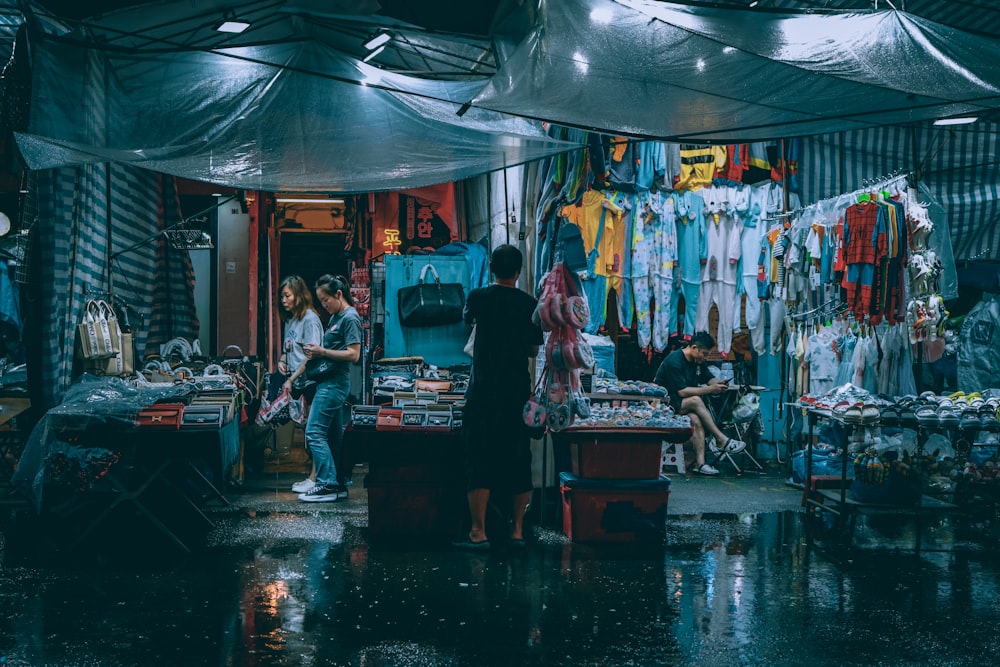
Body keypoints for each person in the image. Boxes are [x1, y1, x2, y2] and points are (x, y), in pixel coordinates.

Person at [454, 245, 543, 550]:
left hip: (482, 393)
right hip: (517, 392)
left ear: (491, 267)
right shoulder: (530, 304)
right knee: (518, 460)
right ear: (519, 271)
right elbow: (533, 350)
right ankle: (516, 530)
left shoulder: (478, 297)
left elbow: (468, 320)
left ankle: (478, 532)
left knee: (478, 459)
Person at [297, 274, 363, 503]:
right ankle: (339, 484)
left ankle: (326, 483)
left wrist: (322, 352)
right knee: (334, 435)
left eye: (326, 299)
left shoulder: (349, 318)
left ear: (338, 294)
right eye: (320, 300)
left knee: (314, 432)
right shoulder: (336, 316)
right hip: (328, 381)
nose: (324, 305)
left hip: (335, 384)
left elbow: (354, 354)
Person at [653, 331, 746, 476]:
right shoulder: (674, 361)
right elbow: (682, 392)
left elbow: (709, 378)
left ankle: (700, 464)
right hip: (663, 405)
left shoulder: (698, 362)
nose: (705, 358)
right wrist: (710, 390)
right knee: (696, 400)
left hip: (681, 404)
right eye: (704, 353)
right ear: (694, 347)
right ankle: (720, 439)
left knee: (696, 420)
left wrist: (718, 384)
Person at [276, 275, 325, 494]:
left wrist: (291, 379)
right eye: (282, 296)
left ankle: (315, 479)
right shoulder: (291, 319)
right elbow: (290, 350)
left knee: (314, 431)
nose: (283, 300)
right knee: (306, 429)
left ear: (298, 294)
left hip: (312, 382)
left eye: (287, 295)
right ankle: (314, 476)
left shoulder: (310, 319)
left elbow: (311, 356)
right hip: (298, 383)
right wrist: (282, 361)